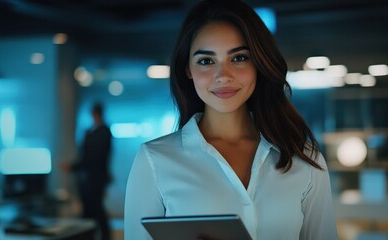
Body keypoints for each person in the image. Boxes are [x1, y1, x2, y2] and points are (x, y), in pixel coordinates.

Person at [125, 0, 338, 239]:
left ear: (259, 62)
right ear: (187, 69)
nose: (223, 76)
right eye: (206, 61)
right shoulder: (155, 160)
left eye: (239, 58)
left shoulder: (304, 159)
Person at [62, 103, 112, 240]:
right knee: (88, 210)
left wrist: (73, 167)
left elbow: (94, 157)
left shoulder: (104, 132)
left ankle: (104, 237)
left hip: (97, 177)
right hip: (87, 177)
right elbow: (85, 155)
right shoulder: (90, 132)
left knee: (96, 209)